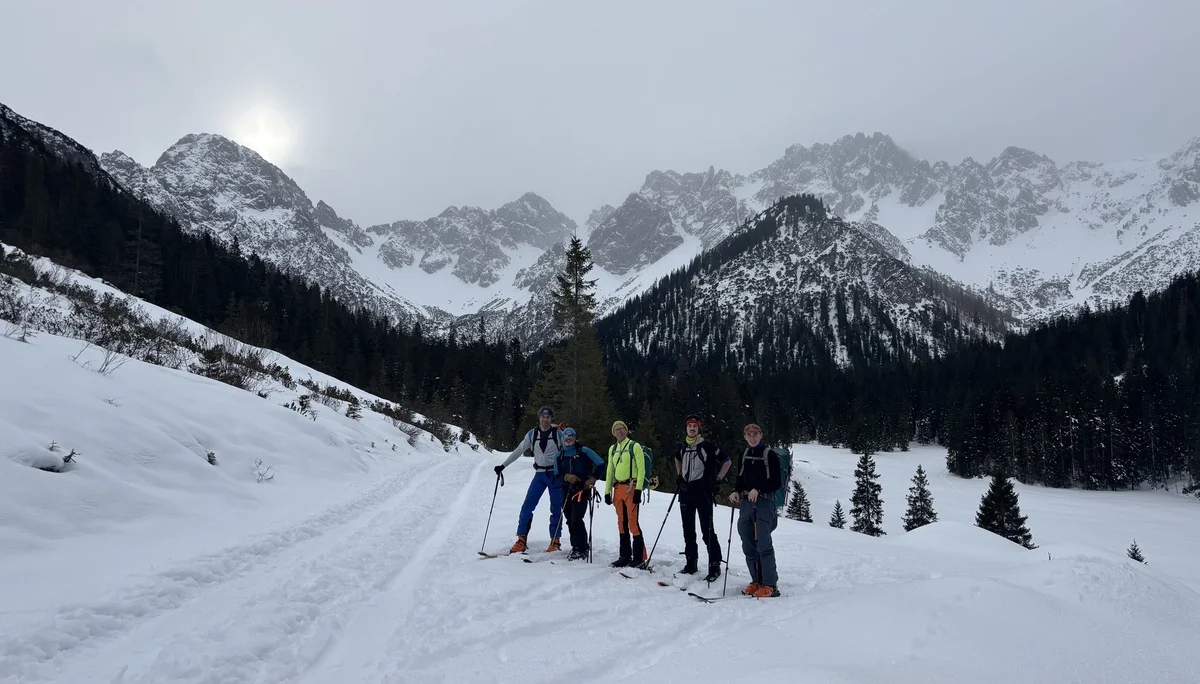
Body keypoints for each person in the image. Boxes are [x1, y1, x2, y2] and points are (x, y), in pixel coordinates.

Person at [495, 406, 566, 553]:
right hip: (539, 475)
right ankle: (521, 539)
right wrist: (503, 466)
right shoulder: (532, 434)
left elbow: (569, 450)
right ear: (539, 417)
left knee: (555, 509)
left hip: (555, 475)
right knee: (527, 506)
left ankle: (555, 541)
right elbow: (519, 451)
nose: (545, 419)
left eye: (548, 417)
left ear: (551, 418)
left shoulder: (558, 434)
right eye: (543, 416)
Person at [674, 414, 731, 581]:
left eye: (695, 427)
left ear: (699, 429)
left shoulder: (708, 446)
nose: (692, 429)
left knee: (707, 530)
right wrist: (679, 475)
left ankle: (715, 565)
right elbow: (677, 458)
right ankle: (691, 562)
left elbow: (727, 460)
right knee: (688, 530)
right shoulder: (682, 446)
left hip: (704, 492)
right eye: (689, 426)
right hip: (686, 492)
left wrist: (718, 478)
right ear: (686, 428)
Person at [728, 423, 782, 597]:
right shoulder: (743, 454)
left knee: (763, 544)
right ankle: (756, 580)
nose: (752, 437)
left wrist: (758, 489)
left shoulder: (769, 455)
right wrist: (736, 491)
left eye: (755, 434)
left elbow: (776, 482)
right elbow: (740, 477)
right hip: (746, 504)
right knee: (748, 542)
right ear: (745, 436)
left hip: (764, 503)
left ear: (761, 435)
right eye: (749, 434)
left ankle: (770, 584)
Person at [555, 427, 604, 560]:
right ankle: (576, 546)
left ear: (575, 438)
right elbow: (556, 474)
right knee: (569, 520)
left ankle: (582, 548)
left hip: (582, 490)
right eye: (566, 437)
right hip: (566, 490)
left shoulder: (584, 451)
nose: (568, 439)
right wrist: (566, 477)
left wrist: (592, 479)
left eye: (571, 436)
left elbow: (601, 465)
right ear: (563, 439)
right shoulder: (559, 456)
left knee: (576, 519)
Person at [605, 420, 648, 568]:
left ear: (626, 430)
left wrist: (638, 490)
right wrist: (607, 491)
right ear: (613, 433)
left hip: (631, 487)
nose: (619, 432)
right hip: (618, 489)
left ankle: (639, 558)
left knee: (632, 522)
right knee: (621, 523)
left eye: (622, 429)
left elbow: (641, 470)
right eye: (616, 429)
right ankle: (624, 556)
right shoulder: (613, 449)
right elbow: (610, 470)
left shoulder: (634, 446)